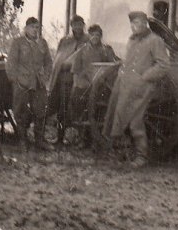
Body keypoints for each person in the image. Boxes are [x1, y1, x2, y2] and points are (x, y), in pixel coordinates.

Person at [101, 11, 170, 167]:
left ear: (145, 23)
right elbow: (129, 61)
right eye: (132, 23)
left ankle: (141, 156)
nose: (134, 26)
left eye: (137, 23)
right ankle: (123, 151)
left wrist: (145, 76)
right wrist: (122, 71)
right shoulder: (132, 40)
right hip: (126, 85)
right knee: (119, 117)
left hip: (143, 88)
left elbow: (163, 65)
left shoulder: (155, 40)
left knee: (135, 120)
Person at [6, 17, 53, 150]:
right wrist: (15, 80)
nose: (35, 30)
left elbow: (49, 62)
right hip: (22, 82)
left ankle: (39, 140)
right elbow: (11, 63)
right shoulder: (18, 43)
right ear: (26, 29)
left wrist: (45, 77)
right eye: (32, 27)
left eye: (37, 27)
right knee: (20, 112)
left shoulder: (42, 43)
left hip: (38, 83)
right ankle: (22, 140)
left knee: (40, 111)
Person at [69, 25, 118, 145]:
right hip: (85, 82)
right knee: (78, 103)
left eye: (97, 35)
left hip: (103, 85)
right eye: (92, 35)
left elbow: (113, 67)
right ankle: (82, 137)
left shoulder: (107, 50)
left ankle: (98, 137)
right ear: (89, 36)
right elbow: (76, 70)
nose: (95, 37)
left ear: (101, 36)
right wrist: (76, 85)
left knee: (101, 107)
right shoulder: (82, 50)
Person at [47, 15, 87, 142]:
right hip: (63, 78)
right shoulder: (65, 41)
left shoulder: (88, 40)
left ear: (83, 25)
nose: (77, 27)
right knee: (62, 108)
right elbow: (58, 58)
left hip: (79, 79)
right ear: (71, 26)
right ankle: (60, 137)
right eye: (75, 25)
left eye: (80, 24)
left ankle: (82, 138)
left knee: (79, 108)